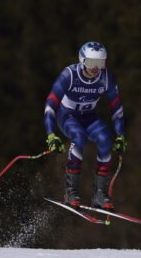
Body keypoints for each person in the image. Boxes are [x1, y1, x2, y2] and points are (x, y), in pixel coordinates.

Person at [44, 41, 126, 210]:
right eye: (91, 62)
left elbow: (117, 108)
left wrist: (120, 136)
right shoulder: (69, 75)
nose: (95, 68)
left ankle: (100, 194)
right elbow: (50, 106)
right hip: (67, 116)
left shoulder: (106, 78)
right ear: (82, 61)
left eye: (100, 63)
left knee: (105, 139)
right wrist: (51, 135)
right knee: (79, 136)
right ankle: (70, 191)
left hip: (88, 117)